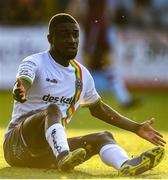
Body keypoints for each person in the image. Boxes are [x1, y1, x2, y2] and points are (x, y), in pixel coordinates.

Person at [3, 13, 166, 176]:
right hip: (16, 146)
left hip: (46, 153)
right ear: (50, 38)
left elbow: (98, 109)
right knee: (52, 109)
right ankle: (63, 157)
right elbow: (23, 81)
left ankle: (125, 164)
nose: (72, 40)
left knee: (104, 137)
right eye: (64, 34)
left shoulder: (82, 75)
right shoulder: (35, 62)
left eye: (75, 35)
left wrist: (136, 128)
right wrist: (21, 89)